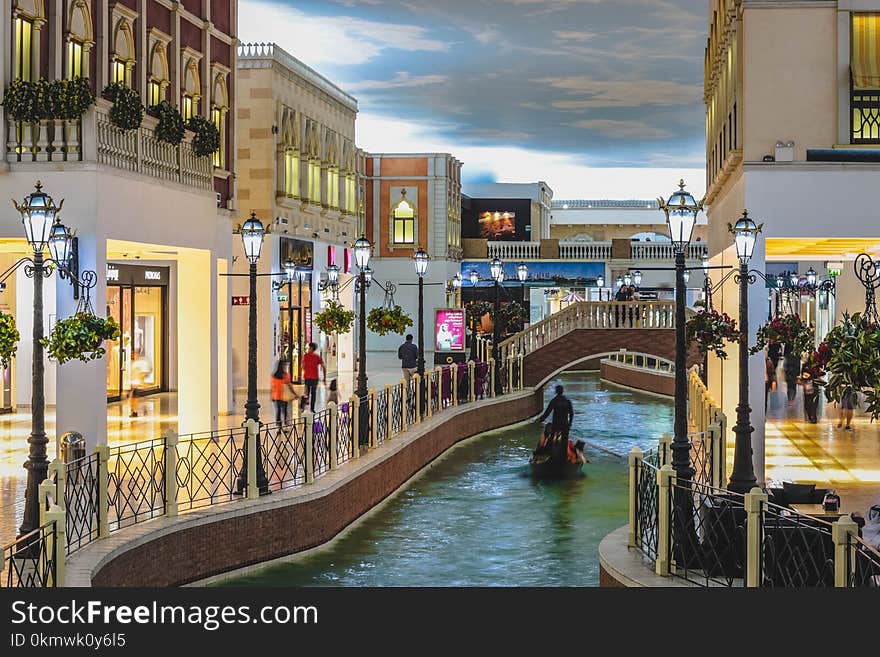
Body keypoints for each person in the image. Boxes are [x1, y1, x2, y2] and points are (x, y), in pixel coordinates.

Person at [301, 342, 325, 413]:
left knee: (306, 393)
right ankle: (312, 408)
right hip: (314, 378)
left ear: (311, 348)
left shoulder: (305, 356)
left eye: (309, 347)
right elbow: (323, 366)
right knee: (313, 393)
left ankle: (303, 408)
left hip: (308, 377)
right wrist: (325, 377)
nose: (308, 349)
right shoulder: (316, 356)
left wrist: (304, 371)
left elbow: (302, 366)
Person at [128, 351, 151, 418]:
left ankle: (135, 411)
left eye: (133, 354)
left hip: (137, 383)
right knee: (134, 398)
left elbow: (142, 374)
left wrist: (142, 383)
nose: (132, 356)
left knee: (134, 398)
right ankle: (136, 411)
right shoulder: (134, 363)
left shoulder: (139, 363)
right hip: (134, 383)